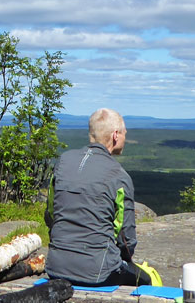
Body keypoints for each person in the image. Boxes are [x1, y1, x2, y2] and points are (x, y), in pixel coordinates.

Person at [45, 108, 152, 287]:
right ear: (115, 135)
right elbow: (126, 240)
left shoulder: (63, 162)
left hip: (55, 267)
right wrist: (123, 259)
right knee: (147, 281)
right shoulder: (118, 176)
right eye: (125, 133)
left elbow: (51, 213)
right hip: (99, 272)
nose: (125, 137)